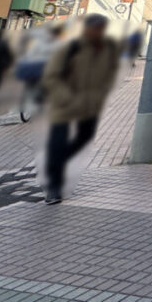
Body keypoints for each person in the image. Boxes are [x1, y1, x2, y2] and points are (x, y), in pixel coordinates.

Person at [41, 14, 119, 204]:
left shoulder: (107, 49)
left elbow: (110, 73)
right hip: (64, 105)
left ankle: (57, 161)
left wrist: (101, 93)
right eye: (95, 28)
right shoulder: (70, 48)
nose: (98, 32)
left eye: (101, 28)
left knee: (85, 136)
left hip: (89, 105)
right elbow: (51, 76)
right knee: (58, 142)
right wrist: (67, 98)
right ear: (87, 29)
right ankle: (53, 187)